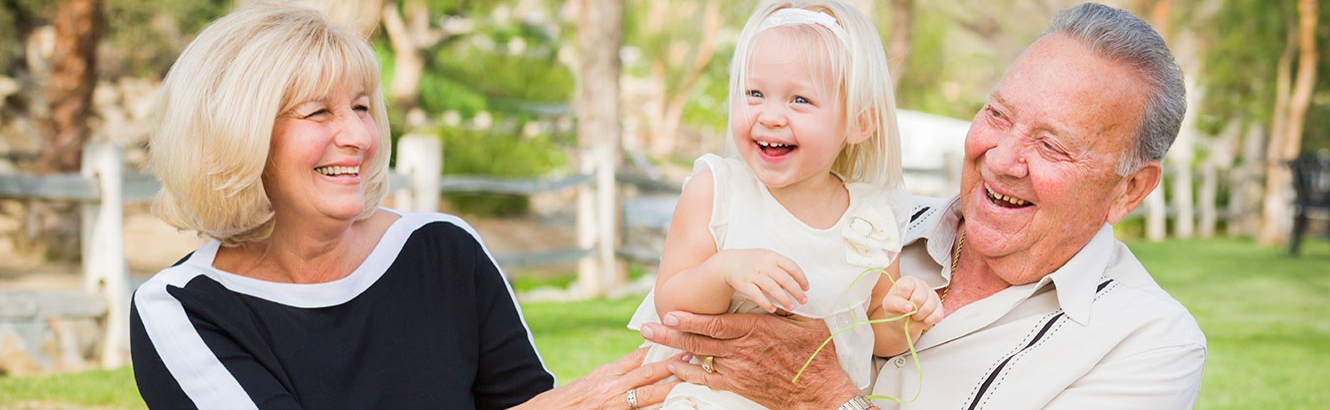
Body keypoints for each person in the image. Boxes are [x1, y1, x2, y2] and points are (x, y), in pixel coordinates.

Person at [638, 3, 1207, 409]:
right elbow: (668, 344)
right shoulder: (856, 218)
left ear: (1130, 190)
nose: (1002, 158)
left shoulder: (1147, 342)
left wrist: (826, 398)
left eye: (1051, 145)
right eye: (998, 116)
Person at [128, 4, 678, 409]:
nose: (359, 136)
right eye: (318, 113)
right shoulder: (178, 310)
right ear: (236, 135)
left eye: (363, 106)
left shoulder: (443, 250)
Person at [627, 1, 941, 409]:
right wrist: (724, 271)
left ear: (859, 123)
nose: (770, 115)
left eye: (800, 100)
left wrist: (905, 317)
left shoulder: (871, 219)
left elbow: (876, 329)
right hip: (704, 397)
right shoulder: (716, 191)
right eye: (755, 93)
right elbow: (672, 304)